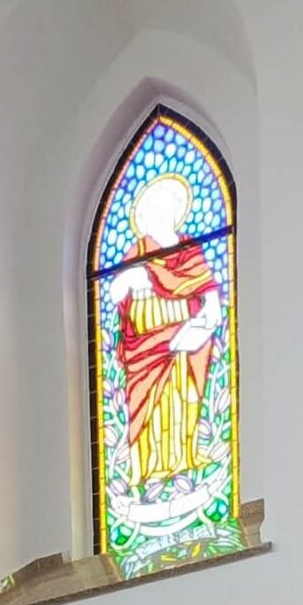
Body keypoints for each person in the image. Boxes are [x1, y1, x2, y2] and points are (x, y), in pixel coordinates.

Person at [105, 173, 224, 490]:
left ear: (175, 210)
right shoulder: (139, 250)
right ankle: (147, 470)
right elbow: (114, 292)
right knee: (148, 407)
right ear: (144, 217)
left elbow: (211, 298)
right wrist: (131, 277)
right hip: (144, 346)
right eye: (154, 209)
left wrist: (203, 325)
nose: (161, 214)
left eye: (166, 207)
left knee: (182, 398)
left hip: (184, 337)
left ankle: (183, 460)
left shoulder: (189, 249)